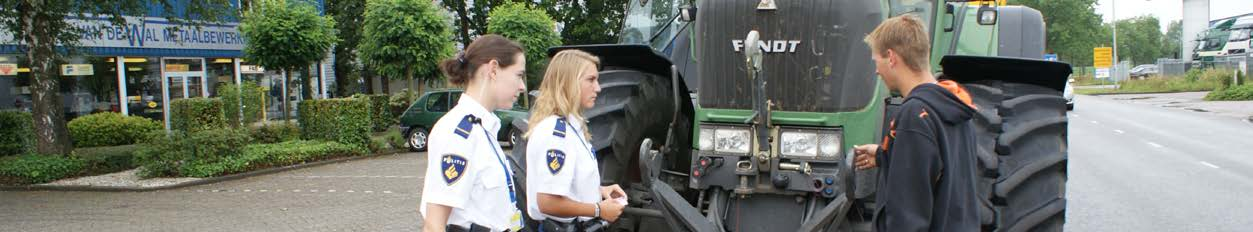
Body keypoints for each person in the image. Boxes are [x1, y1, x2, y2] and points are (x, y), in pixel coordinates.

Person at [852, 15, 980, 232]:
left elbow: (907, 216)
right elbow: (940, 169)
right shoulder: (953, 105)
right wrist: (887, 154)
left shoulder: (914, 115)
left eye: (877, 61)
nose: (876, 71)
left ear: (891, 58)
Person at [420, 34, 528, 232]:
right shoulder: (458, 134)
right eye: (519, 75)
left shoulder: (483, 129)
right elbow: (433, 224)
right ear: (493, 69)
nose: (522, 86)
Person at [524, 50, 627, 232]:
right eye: (590, 80)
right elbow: (547, 202)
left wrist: (599, 191)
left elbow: (568, 184)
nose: (598, 88)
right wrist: (598, 209)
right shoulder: (556, 134)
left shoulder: (572, 128)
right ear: (569, 82)